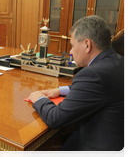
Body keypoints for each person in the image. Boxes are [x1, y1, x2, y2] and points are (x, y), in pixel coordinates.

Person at [28, 15, 125, 157]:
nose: (71, 52)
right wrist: (60, 90)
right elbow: (99, 88)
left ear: (87, 45)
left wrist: (39, 99)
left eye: (72, 45)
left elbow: (56, 119)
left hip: (101, 149)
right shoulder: (119, 61)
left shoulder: (93, 75)